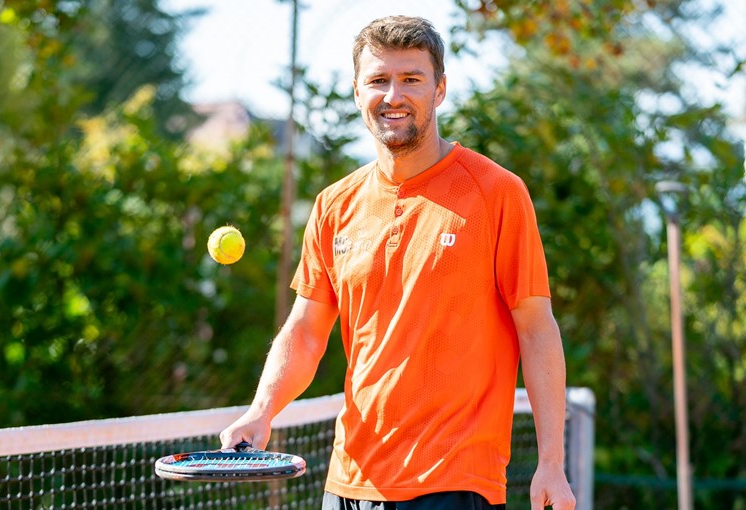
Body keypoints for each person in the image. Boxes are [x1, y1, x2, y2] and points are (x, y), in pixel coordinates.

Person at [221, 15, 576, 510]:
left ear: (439, 89)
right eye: (378, 80)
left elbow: (537, 328)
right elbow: (305, 332)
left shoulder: (497, 192)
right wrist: (261, 411)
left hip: (455, 481)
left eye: (411, 79)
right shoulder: (332, 205)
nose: (393, 95)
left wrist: (551, 464)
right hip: (348, 483)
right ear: (356, 91)